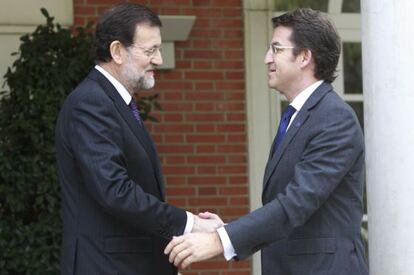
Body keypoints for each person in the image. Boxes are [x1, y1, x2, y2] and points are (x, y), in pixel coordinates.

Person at [165, 8, 369, 275]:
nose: (266, 58)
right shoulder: (301, 116)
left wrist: (219, 241)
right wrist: (228, 230)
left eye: (276, 49)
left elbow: (295, 204)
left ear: (305, 57)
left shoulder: (334, 118)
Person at [55, 3, 222, 275]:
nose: (159, 59)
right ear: (117, 51)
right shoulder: (90, 103)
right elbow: (115, 191)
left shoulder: (111, 102)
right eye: (150, 50)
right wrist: (190, 223)